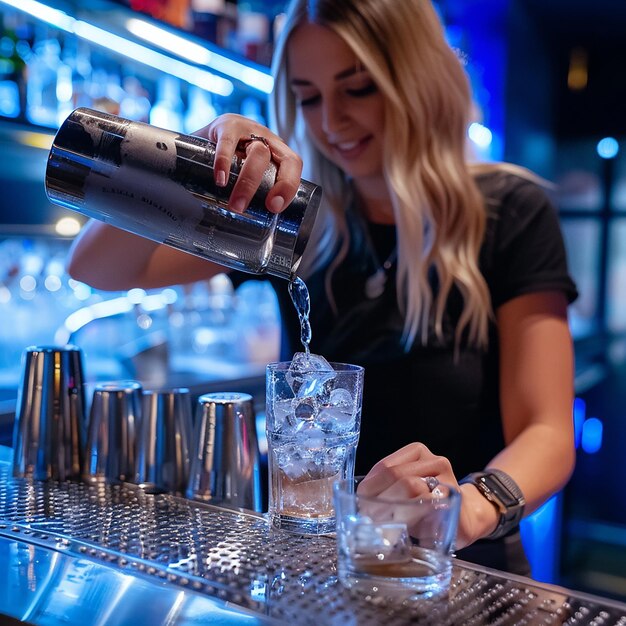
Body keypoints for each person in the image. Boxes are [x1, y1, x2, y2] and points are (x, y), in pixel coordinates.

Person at [66, 0, 578, 575]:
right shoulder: (293, 216)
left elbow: (549, 432)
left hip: (456, 563)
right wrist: (190, 160)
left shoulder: (507, 211)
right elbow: (96, 268)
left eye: (357, 89)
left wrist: (462, 510)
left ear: (419, 81)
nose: (331, 122)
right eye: (308, 97)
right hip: (320, 560)